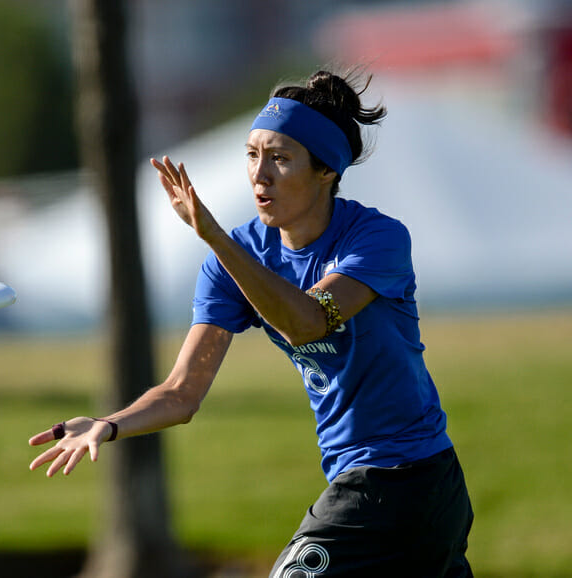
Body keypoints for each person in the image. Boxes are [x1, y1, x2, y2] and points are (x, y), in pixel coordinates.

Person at [29, 68, 474, 577]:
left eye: (281, 159)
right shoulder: (236, 256)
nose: (259, 175)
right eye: (252, 154)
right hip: (366, 484)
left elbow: (307, 323)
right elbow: (181, 393)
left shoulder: (376, 239)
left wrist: (215, 238)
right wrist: (109, 425)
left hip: (406, 480)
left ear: (326, 171)